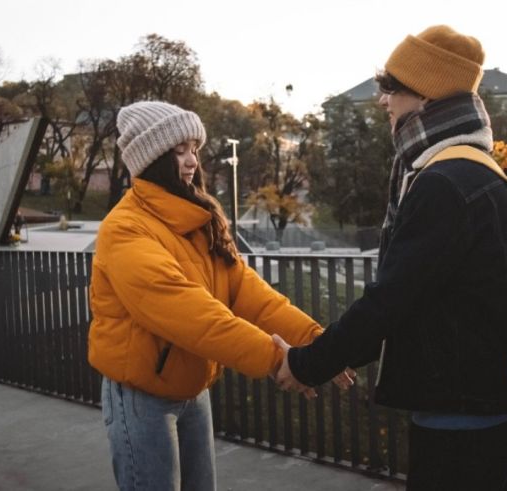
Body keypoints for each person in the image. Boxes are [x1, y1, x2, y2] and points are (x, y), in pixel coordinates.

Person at [274, 25, 507, 490]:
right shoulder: (480, 169)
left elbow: (391, 299)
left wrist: (307, 363)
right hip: (488, 401)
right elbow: (419, 293)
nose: (383, 100)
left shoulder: (442, 183)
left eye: (391, 87)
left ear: (427, 95)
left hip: (458, 410)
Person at [88, 101, 352, 491]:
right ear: (151, 158)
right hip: (141, 398)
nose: (192, 160)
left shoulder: (198, 218)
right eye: (179, 150)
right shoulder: (125, 230)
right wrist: (279, 359)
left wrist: (314, 340)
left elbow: (246, 291)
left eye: (194, 148)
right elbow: (192, 314)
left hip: (194, 390)